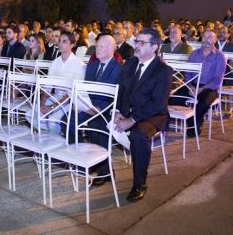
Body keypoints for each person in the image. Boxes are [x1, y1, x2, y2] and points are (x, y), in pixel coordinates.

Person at [114, 28, 173, 202]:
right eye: (136, 42)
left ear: (154, 47)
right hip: (127, 110)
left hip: (152, 114)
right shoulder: (130, 63)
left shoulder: (163, 71)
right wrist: (117, 112)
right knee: (97, 123)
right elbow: (120, 90)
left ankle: (140, 183)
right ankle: (103, 171)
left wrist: (131, 120)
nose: (137, 45)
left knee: (139, 135)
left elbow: (157, 104)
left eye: (142, 43)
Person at [68, 34, 122, 185]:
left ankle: (105, 170)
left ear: (112, 49)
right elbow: (83, 90)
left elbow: (118, 96)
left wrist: (100, 109)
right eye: (97, 46)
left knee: (96, 126)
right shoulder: (91, 66)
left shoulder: (118, 69)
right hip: (89, 106)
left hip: (107, 109)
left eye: (102, 46)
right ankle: (84, 159)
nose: (97, 49)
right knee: (68, 121)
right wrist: (80, 104)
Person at [185, 29, 226, 137]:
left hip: (209, 87)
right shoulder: (194, 54)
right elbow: (187, 73)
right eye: (204, 37)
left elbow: (218, 78)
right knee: (174, 98)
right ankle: (194, 123)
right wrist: (190, 87)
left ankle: (191, 125)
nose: (206, 39)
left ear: (215, 39)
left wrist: (201, 89)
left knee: (203, 103)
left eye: (210, 37)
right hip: (192, 84)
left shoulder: (219, 56)